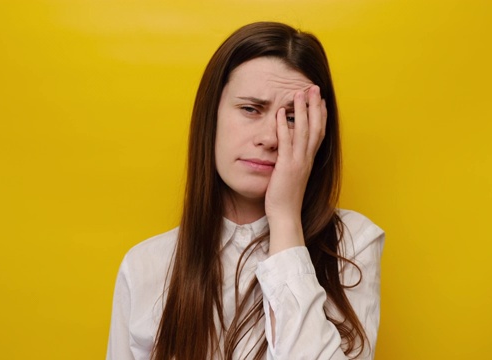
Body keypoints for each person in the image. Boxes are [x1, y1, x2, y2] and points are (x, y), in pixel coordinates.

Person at [106, 21, 385, 360]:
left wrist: (284, 217)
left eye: (293, 118)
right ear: (212, 117)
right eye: (251, 109)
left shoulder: (352, 244)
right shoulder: (145, 266)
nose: (269, 137)